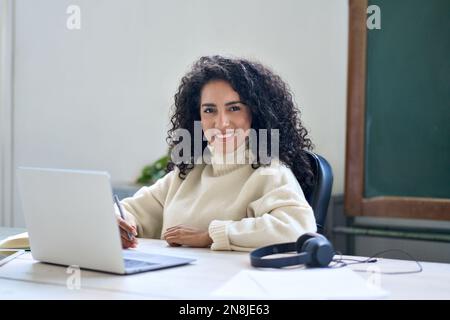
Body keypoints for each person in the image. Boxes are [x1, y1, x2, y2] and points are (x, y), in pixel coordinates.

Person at [116, 55, 317, 251]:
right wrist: (119, 221)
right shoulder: (191, 170)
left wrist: (211, 235)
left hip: (234, 283)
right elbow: (131, 210)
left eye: (234, 108)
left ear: (255, 113)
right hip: (177, 281)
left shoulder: (268, 170)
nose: (221, 123)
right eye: (209, 110)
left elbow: (298, 228)